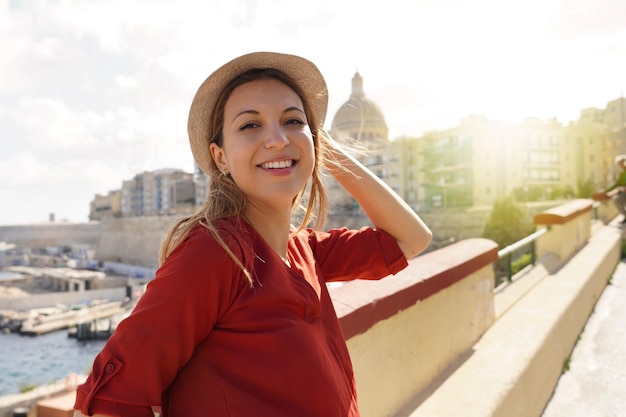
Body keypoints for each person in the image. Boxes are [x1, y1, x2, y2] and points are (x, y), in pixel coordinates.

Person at [72, 51, 432, 417]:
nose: (276, 139)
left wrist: (322, 147)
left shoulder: (305, 250)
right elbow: (110, 398)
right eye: (250, 126)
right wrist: (299, 138)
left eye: (292, 121)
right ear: (220, 157)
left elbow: (410, 240)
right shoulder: (216, 254)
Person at [608, 154, 626, 224]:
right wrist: (606, 190)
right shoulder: (622, 173)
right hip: (624, 193)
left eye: (620, 164)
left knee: (617, 200)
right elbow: (617, 183)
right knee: (616, 199)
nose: (620, 166)